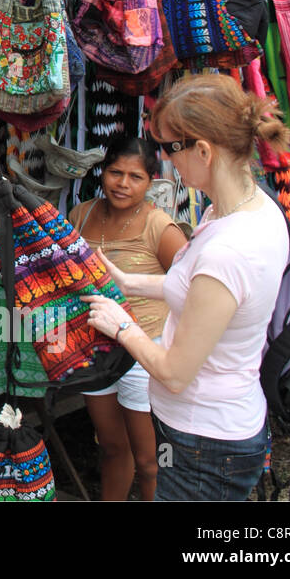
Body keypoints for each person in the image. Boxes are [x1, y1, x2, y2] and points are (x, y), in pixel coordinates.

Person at [83, 74, 290, 501]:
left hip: (206, 442)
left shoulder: (228, 250)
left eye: (168, 148)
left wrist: (123, 327)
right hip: (215, 428)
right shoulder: (245, 209)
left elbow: (175, 373)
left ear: (202, 150)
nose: (166, 160)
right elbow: (193, 290)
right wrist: (124, 280)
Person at [69, 137, 188, 501]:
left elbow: (189, 290)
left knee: (149, 460)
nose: (122, 184)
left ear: (151, 182)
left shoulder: (161, 227)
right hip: (93, 348)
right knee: (111, 447)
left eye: (135, 177)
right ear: (102, 173)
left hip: (144, 351)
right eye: (115, 172)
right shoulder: (81, 215)